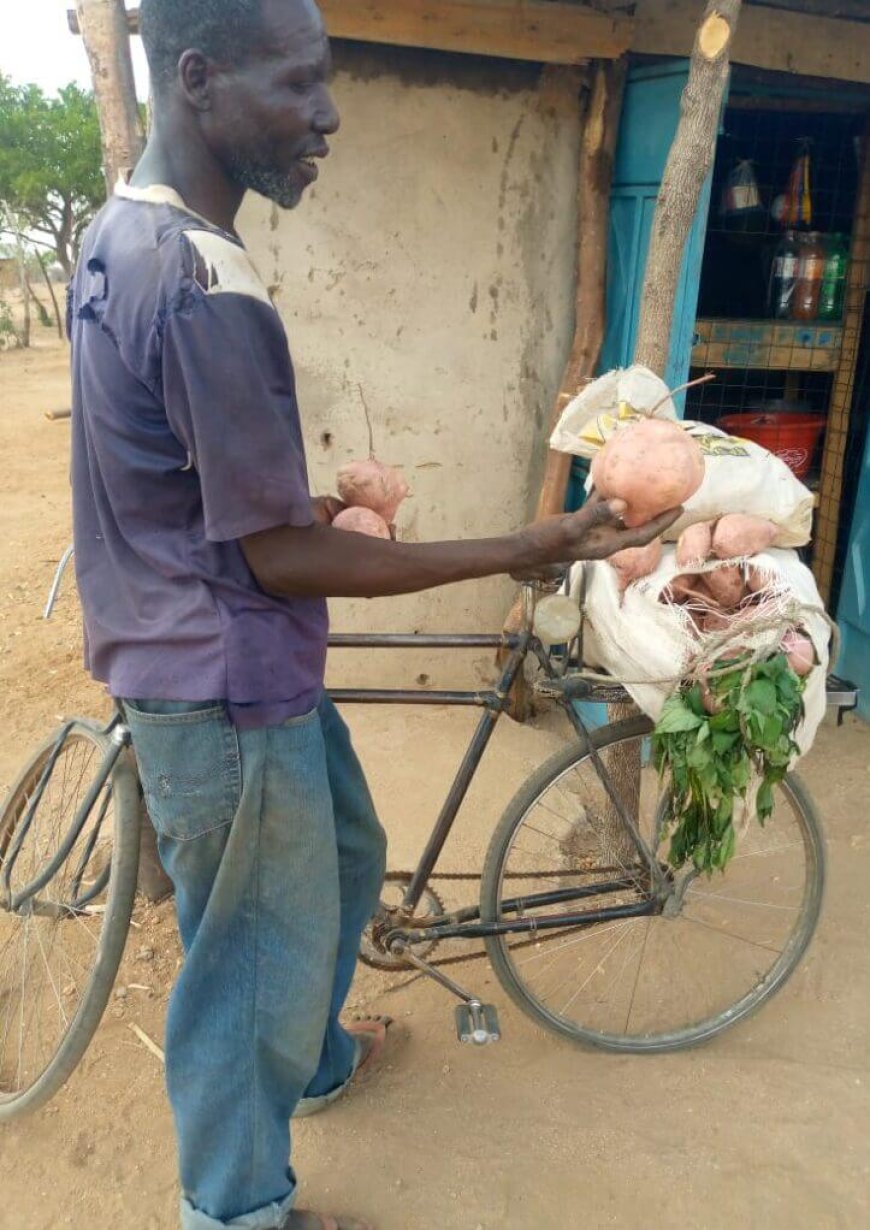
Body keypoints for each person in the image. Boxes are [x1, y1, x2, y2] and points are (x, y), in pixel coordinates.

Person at [67, 2, 677, 1227]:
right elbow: (280, 560)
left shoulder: (129, 233)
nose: (327, 116)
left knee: (344, 860)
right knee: (243, 966)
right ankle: (236, 1210)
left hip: (217, 654)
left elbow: (194, 486)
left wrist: (301, 502)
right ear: (199, 79)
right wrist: (523, 545)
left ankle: (323, 1056)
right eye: (299, 85)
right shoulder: (201, 284)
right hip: (224, 683)